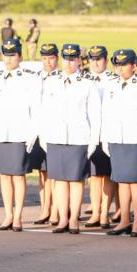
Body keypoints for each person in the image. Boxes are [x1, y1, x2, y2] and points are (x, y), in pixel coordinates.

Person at [41, 44, 101, 235]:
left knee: (75, 180)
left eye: (72, 58)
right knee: (59, 180)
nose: (68, 62)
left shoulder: (87, 83)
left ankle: (74, 218)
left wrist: (93, 140)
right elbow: (45, 111)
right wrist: (44, 135)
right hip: (56, 136)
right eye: (65, 58)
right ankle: (63, 218)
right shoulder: (51, 82)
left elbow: (95, 114)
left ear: (78, 61)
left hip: (78, 137)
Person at [0, 38, 40, 232]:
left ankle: (18, 215)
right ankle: (8, 214)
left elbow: (35, 107)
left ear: (20, 56)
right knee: (4, 176)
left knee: (18, 175)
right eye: (6, 55)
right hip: (1, 132)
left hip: (20, 132)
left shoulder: (29, 77)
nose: (8, 59)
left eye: (12, 55)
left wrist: (32, 133)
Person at [102, 49, 137, 237]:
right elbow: (106, 114)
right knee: (121, 181)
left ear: (134, 66)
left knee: (135, 182)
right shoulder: (111, 86)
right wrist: (104, 139)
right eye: (117, 64)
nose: (120, 68)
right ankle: (124, 220)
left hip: (136, 139)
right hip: (117, 138)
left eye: (124, 64)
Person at [84, 45, 115, 229]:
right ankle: (95, 212)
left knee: (108, 175)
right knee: (94, 176)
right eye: (93, 59)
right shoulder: (85, 79)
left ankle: (105, 213)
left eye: (99, 58)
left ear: (106, 59)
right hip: (89, 133)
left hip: (108, 132)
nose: (96, 62)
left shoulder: (114, 80)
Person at [29, 43, 59, 225]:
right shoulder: (35, 78)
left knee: (55, 174)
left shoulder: (63, 78)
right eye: (44, 58)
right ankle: (44, 208)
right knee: (42, 173)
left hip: (55, 132)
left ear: (57, 58)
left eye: (51, 58)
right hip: (38, 132)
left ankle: (55, 210)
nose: (48, 62)